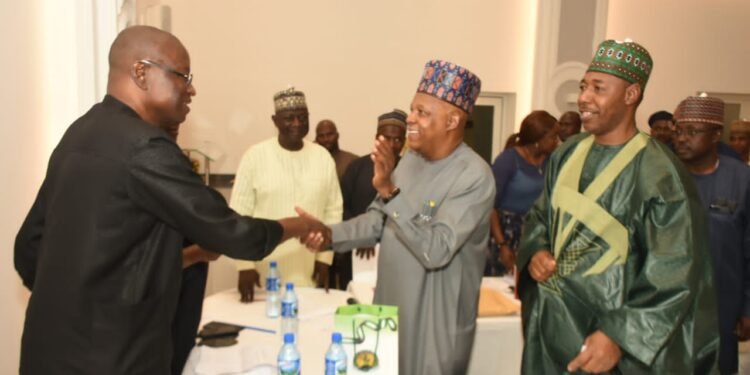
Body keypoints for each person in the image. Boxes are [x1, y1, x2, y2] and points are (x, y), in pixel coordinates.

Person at [13, 26, 323, 374]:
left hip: (47, 353)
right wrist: (300, 225)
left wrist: (83, 304)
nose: (191, 89)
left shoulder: (79, 133)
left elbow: (29, 249)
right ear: (141, 72)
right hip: (114, 358)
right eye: (183, 76)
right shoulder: (145, 148)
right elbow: (236, 234)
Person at [516, 39, 719, 374]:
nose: (584, 98)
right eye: (583, 86)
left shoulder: (661, 175)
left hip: (614, 343)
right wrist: (536, 250)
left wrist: (619, 334)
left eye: (598, 88)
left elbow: (673, 272)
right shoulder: (567, 153)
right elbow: (541, 215)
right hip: (553, 326)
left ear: (630, 95)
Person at [303, 60, 494, 375]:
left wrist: (391, 191)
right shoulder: (409, 162)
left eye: (422, 112)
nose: (411, 120)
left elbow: (437, 249)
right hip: (384, 311)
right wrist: (329, 235)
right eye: (412, 110)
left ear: (453, 120)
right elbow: (378, 219)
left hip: (433, 328)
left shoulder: (475, 176)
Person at [230, 87, 343, 302]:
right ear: (275, 121)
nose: (297, 124)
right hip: (263, 278)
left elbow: (333, 211)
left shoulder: (323, 157)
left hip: (310, 273)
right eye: (289, 118)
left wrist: (325, 258)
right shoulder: (254, 157)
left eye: (302, 118)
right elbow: (238, 216)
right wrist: (244, 265)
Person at [673, 95, 750, 375]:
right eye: (678, 130)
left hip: (723, 307)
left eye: (692, 132)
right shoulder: (665, 177)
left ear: (716, 134)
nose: (682, 138)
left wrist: (747, 308)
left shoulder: (742, 180)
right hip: (670, 308)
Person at [331, 109, 407, 289]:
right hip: (358, 254)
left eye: (397, 139)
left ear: (404, 141)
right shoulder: (357, 167)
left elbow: (419, 214)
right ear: (376, 138)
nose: (391, 144)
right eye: (386, 138)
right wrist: (363, 237)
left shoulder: (411, 171)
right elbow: (342, 206)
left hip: (399, 253)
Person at [487, 110, 558, 275]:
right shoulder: (508, 160)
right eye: (553, 137)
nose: (557, 141)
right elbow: (490, 206)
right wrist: (502, 245)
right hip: (507, 232)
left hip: (537, 232)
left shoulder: (551, 161)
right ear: (538, 140)